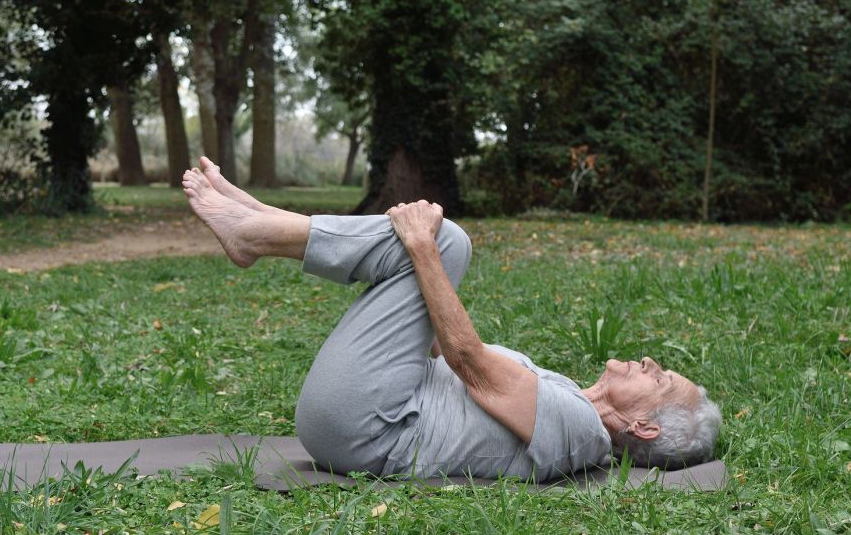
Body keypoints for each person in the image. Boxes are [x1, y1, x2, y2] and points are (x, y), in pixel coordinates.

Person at [182, 157, 722, 481]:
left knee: (442, 241)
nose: (652, 363)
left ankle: (255, 231)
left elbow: (466, 359)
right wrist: (424, 259)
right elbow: (442, 346)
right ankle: (258, 223)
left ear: (643, 427)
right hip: (369, 411)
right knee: (445, 246)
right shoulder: (567, 396)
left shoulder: (583, 433)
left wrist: (421, 246)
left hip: (366, 429)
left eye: (662, 379)